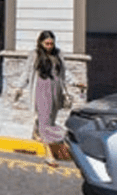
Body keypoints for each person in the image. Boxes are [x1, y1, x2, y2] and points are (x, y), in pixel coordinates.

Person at [13, 30, 84, 167]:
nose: (49, 46)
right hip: (40, 90)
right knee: (46, 124)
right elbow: (26, 73)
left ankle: (36, 131)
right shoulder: (34, 55)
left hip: (55, 91)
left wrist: (76, 82)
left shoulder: (58, 54)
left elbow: (64, 72)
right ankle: (49, 154)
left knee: (49, 120)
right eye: (47, 43)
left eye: (51, 43)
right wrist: (19, 87)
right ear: (40, 42)